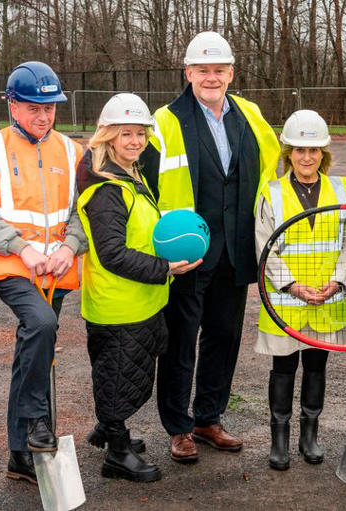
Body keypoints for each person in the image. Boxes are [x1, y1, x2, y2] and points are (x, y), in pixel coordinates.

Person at [140, 31, 279, 463]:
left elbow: (273, 170)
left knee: (223, 336)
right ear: (188, 73)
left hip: (235, 248)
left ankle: (208, 417)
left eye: (219, 69)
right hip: (186, 252)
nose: (211, 77)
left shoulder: (251, 116)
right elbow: (145, 185)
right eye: (203, 69)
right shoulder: (165, 120)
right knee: (180, 340)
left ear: (231, 73)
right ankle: (178, 426)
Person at [0, 61, 86, 485]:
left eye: (50, 107)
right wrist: (23, 248)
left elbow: (83, 213)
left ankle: (20, 456)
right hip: (12, 265)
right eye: (33, 107)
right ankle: (36, 421)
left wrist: (70, 246)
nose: (43, 116)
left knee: (35, 348)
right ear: (12, 104)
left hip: (57, 268)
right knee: (41, 323)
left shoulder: (72, 151)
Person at [76, 93, 200, 482]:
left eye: (140, 134)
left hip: (142, 301)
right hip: (118, 306)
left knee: (129, 375)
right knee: (118, 377)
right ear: (108, 136)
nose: (135, 141)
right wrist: (166, 268)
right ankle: (116, 450)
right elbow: (112, 253)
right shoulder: (107, 188)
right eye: (125, 133)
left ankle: (108, 427)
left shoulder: (131, 174)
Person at [255, 110, 346, 470]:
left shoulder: (340, 190)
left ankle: (309, 435)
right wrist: (293, 286)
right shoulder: (273, 193)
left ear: (323, 154)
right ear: (289, 153)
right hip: (285, 303)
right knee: (283, 370)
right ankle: (278, 439)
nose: (307, 157)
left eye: (313, 151)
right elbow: (264, 246)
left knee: (316, 368)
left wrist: (338, 281)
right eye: (299, 150)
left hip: (327, 300)